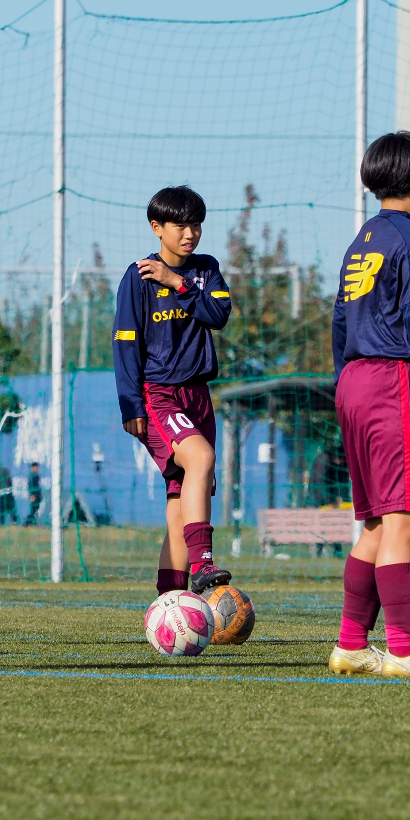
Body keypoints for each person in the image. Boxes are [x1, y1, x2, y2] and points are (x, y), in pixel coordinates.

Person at [327, 131, 410, 680]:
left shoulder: (362, 239)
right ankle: (404, 653)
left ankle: (351, 646)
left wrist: (347, 382)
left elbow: (339, 319)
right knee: (405, 521)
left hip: (354, 382)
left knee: (377, 525)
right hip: (392, 382)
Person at [113, 185, 234, 596]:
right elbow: (125, 342)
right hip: (159, 395)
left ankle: (170, 601)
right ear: (156, 228)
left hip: (198, 395)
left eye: (196, 224)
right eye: (180, 225)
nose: (189, 233)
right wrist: (131, 403)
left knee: (181, 500)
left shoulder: (206, 269)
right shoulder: (138, 277)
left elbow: (218, 314)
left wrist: (178, 283)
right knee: (201, 458)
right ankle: (203, 564)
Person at [0, 457, 16, 524]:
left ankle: (1, 522)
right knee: (11, 508)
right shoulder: (4, 470)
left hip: (1, 492)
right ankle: (14, 521)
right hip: (7, 491)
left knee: (2, 509)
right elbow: (9, 480)